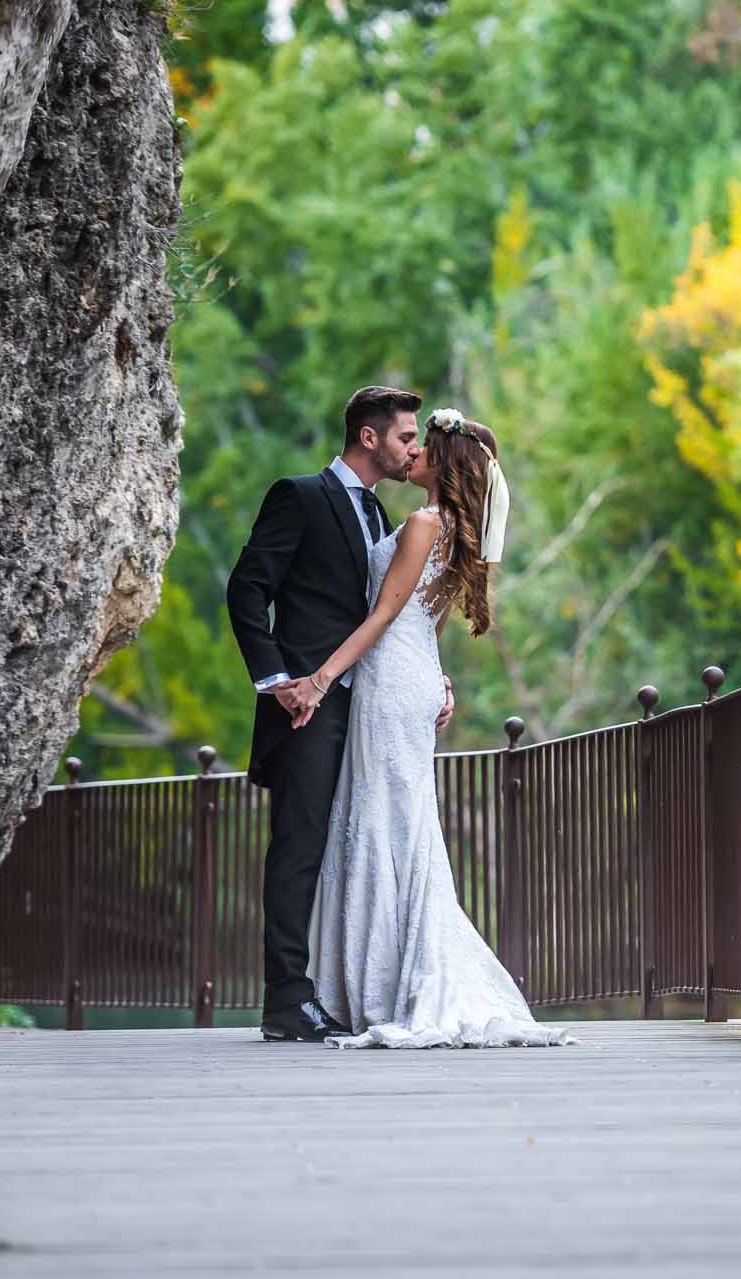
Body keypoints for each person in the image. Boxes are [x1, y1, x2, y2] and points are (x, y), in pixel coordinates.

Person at [278, 407, 576, 1050]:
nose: (410, 453)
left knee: (385, 825)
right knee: (396, 826)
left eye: (422, 444)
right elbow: (424, 619)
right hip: (411, 680)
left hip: (388, 686)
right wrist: (438, 679)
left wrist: (321, 678)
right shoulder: (447, 529)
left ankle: (387, 988)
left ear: (443, 461)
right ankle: (379, 984)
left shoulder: (421, 522)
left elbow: (386, 615)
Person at [227, 386, 453, 1042]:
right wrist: (277, 681)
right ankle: (286, 998)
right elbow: (248, 587)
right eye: (407, 436)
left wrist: (431, 679)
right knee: (299, 845)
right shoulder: (299, 496)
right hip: (306, 706)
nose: (416, 447)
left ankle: (340, 989)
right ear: (368, 435)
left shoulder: (383, 516)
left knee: (345, 851)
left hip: (368, 706)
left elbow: (395, 614)